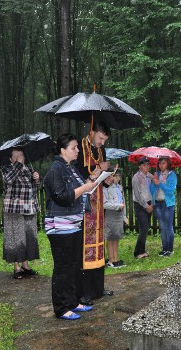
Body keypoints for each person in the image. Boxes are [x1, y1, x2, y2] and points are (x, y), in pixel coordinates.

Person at [44, 133, 97, 320]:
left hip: (73, 224)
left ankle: (73, 302)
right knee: (63, 267)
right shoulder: (55, 170)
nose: (77, 151)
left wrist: (90, 183)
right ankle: (61, 307)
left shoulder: (71, 168)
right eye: (74, 148)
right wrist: (85, 188)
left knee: (74, 265)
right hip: (60, 227)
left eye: (77, 147)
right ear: (62, 150)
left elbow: (80, 191)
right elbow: (62, 197)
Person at [76, 121, 113, 304]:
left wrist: (107, 177)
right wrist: (98, 170)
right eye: (100, 138)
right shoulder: (79, 148)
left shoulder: (101, 150)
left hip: (98, 204)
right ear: (92, 132)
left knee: (99, 243)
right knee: (84, 245)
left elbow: (101, 178)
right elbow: (77, 174)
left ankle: (97, 287)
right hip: (84, 205)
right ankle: (85, 290)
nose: (102, 143)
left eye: (105, 140)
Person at [0, 148, 41, 279]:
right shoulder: (6, 169)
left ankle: (25, 265)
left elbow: (36, 188)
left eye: (21, 155)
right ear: (11, 159)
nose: (20, 157)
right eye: (16, 156)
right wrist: (17, 164)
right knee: (15, 238)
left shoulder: (29, 169)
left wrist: (37, 179)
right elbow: (8, 180)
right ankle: (17, 267)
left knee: (28, 237)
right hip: (14, 209)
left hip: (29, 208)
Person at [150, 157, 178, 257]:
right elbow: (152, 190)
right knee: (162, 227)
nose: (161, 165)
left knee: (168, 226)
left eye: (163, 163)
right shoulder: (157, 174)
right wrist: (154, 182)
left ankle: (170, 249)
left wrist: (161, 184)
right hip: (157, 203)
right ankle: (164, 249)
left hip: (167, 203)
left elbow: (171, 190)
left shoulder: (172, 175)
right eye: (160, 163)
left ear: (168, 164)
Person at [103, 171, 127, 268]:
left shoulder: (120, 187)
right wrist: (117, 206)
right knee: (110, 238)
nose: (117, 178)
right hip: (111, 214)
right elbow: (105, 204)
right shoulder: (106, 188)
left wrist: (124, 216)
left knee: (116, 237)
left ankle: (116, 259)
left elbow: (123, 201)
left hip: (119, 215)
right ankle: (111, 260)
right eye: (115, 176)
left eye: (119, 176)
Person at [132, 156, 153, 259]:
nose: (147, 166)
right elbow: (138, 195)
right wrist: (146, 206)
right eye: (144, 165)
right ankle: (138, 252)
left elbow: (152, 189)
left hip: (149, 203)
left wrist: (151, 203)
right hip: (140, 205)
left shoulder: (149, 176)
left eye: (148, 164)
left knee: (146, 227)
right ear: (139, 166)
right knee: (144, 227)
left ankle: (142, 250)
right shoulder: (136, 178)